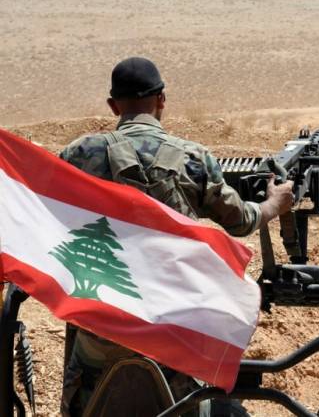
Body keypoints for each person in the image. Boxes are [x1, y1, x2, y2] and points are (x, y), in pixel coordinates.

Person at [59, 56, 295, 416]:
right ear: (162, 100)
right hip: (173, 327)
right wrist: (273, 204)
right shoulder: (192, 158)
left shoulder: (78, 154)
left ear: (113, 106)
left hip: (100, 325)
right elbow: (241, 221)